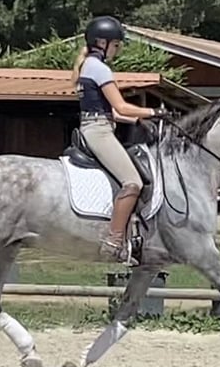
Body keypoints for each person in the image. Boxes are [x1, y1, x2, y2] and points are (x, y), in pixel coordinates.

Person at [71, 15, 168, 263]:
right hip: (99, 131)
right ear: (102, 43)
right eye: (116, 44)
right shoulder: (99, 68)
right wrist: (155, 112)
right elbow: (122, 107)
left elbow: (112, 112)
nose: (118, 49)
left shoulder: (87, 66)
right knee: (132, 182)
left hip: (97, 125)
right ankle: (114, 241)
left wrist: (138, 120)